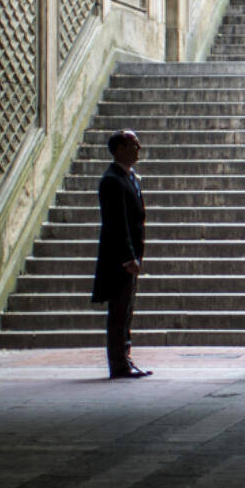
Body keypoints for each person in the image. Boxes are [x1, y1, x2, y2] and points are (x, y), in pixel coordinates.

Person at [90, 129, 151, 379]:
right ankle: (118, 363)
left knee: (126, 311)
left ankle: (125, 358)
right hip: (119, 261)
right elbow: (116, 224)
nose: (138, 148)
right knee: (118, 312)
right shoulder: (112, 180)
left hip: (131, 257)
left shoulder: (130, 178)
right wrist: (128, 258)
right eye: (133, 144)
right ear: (119, 149)